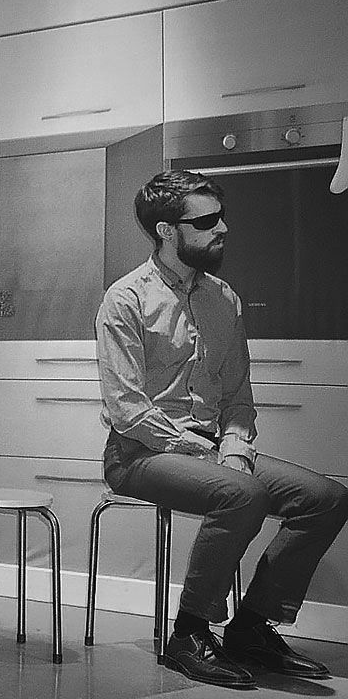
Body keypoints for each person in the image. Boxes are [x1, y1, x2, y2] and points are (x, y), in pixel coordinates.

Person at [98, 169, 348, 688]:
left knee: (326, 499)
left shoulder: (224, 298)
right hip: (140, 454)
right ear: (167, 231)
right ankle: (190, 633)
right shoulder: (125, 299)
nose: (223, 228)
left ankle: (252, 628)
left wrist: (234, 445)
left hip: (213, 448)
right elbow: (126, 408)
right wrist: (195, 448)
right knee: (242, 494)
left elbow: (238, 395)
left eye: (221, 216)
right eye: (206, 221)